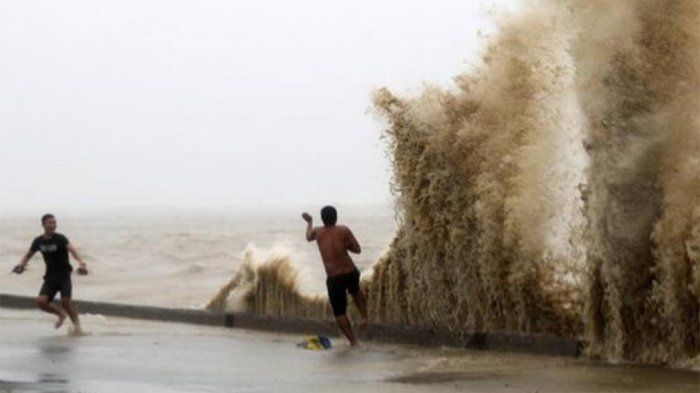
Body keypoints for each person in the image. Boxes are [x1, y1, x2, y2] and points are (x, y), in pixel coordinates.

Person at [302, 206, 368, 346]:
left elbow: (308, 237)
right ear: (336, 217)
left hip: (334, 278)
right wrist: (345, 245)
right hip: (350, 272)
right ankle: (364, 317)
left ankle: (353, 342)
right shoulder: (344, 230)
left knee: (339, 312)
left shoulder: (318, 233)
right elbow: (357, 250)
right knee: (356, 292)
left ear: (322, 219)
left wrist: (309, 222)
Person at [13, 214, 88, 332]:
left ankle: (78, 327)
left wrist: (81, 261)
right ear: (43, 225)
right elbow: (28, 254)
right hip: (50, 277)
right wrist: (22, 264)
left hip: (64, 275)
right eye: (50, 222)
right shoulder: (38, 241)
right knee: (41, 302)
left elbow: (72, 250)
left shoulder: (60, 238)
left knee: (66, 302)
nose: (53, 224)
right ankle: (60, 315)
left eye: (54, 222)